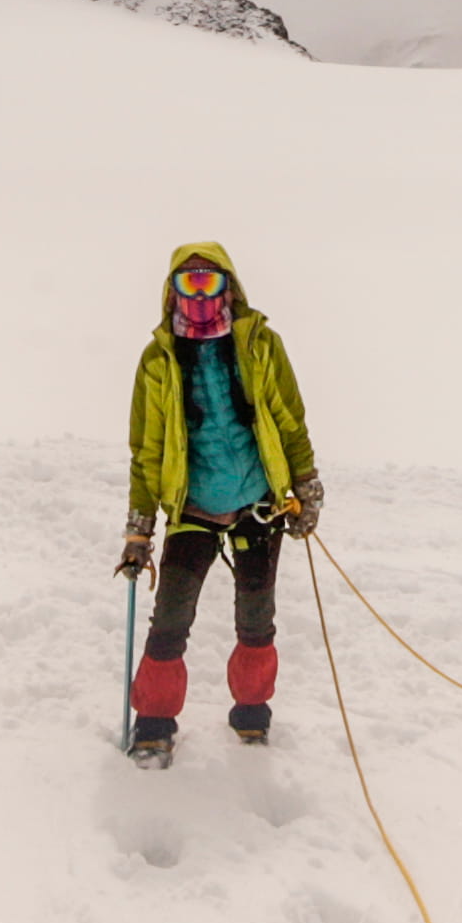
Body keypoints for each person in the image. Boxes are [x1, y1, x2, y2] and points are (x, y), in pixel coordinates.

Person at [120, 241, 320, 760]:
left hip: (259, 503)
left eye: (211, 282)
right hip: (193, 508)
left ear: (230, 287)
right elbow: (146, 450)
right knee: (170, 620)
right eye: (190, 284)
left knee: (257, 619)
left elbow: (289, 420)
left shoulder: (260, 345)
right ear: (172, 292)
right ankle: (155, 724)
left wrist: (306, 485)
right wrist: (139, 530)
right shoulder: (158, 361)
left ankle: (252, 716)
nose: (201, 295)